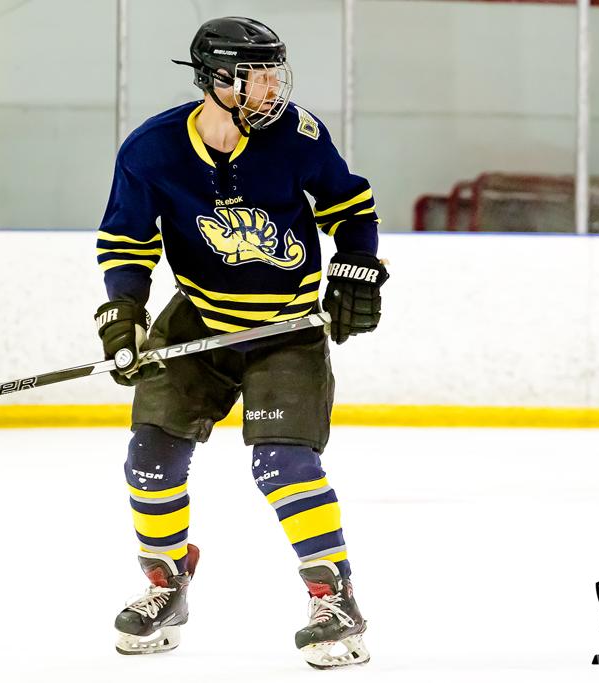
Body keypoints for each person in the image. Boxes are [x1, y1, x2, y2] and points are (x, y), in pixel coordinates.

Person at [94, 16, 387, 669]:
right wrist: (123, 313)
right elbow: (127, 241)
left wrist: (357, 266)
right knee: (150, 457)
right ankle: (166, 586)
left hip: (287, 326)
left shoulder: (298, 135)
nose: (273, 88)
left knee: (284, 464)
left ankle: (336, 601)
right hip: (198, 320)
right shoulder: (152, 150)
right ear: (217, 79)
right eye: (258, 77)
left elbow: (350, 207)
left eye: (276, 74)